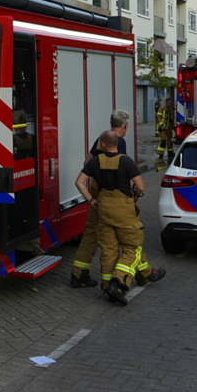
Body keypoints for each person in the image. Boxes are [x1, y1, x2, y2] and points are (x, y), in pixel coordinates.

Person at [70, 110, 163, 289]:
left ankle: (79, 273)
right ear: (125, 126)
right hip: (117, 196)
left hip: (98, 191)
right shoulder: (119, 142)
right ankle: (142, 273)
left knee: (91, 234)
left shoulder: (101, 140)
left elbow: (87, 162)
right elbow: (123, 170)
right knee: (131, 236)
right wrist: (132, 194)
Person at [75, 131, 150, 305]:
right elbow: (140, 186)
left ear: (102, 144)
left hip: (103, 208)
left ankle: (107, 286)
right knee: (133, 247)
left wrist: (91, 200)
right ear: (118, 144)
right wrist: (136, 195)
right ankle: (119, 281)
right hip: (123, 209)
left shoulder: (95, 161)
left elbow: (79, 182)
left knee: (109, 250)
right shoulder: (126, 161)